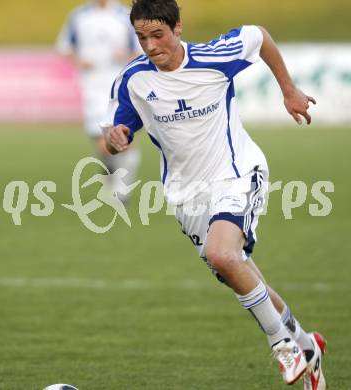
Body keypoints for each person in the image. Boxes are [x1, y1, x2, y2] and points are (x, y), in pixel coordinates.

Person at [102, 0, 326, 387]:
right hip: (185, 195)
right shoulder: (133, 79)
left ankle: (283, 346)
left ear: (178, 29)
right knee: (237, 270)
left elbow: (260, 36)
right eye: (141, 37)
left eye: (158, 35)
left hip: (236, 173)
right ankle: (306, 344)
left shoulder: (215, 57)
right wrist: (117, 137)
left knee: (222, 254)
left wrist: (288, 90)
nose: (151, 45)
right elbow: (120, 127)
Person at [56, 0, 142, 201]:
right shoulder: (79, 15)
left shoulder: (126, 15)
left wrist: (127, 55)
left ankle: (123, 191)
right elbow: (64, 46)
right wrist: (79, 60)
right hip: (92, 86)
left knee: (125, 133)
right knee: (103, 143)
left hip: (121, 83)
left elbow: (141, 48)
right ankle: (111, 174)